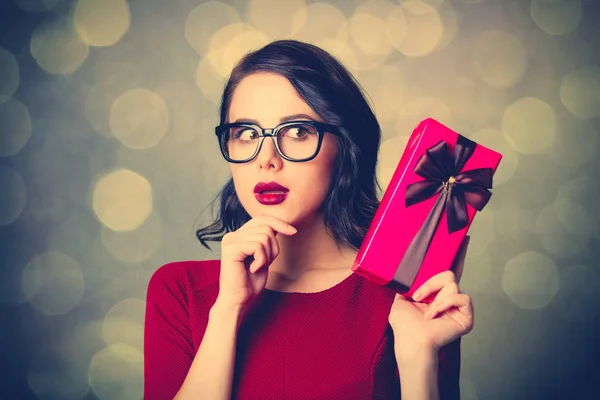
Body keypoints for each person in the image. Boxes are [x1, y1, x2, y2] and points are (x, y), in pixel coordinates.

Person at [144, 39, 474, 400]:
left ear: (344, 147)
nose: (266, 158)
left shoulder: (409, 298)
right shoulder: (181, 291)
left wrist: (419, 356)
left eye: (297, 131)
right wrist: (227, 311)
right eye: (246, 134)